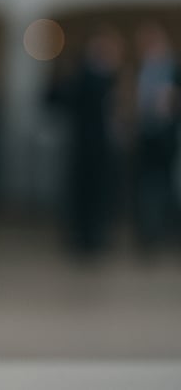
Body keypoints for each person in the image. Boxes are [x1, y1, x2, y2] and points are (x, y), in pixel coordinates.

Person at [52, 26, 124, 257]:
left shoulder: (107, 76)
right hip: (87, 145)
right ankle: (85, 236)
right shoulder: (88, 75)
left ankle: (94, 234)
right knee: (86, 192)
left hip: (100, 145)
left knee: (99, 192)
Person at [133, 22, 179, 251]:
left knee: (165, 185)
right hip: (148, 135)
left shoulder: (172, 69)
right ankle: (151, 233)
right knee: (149, 186)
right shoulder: (144, 69)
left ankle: (165, 231)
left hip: (166, 136)